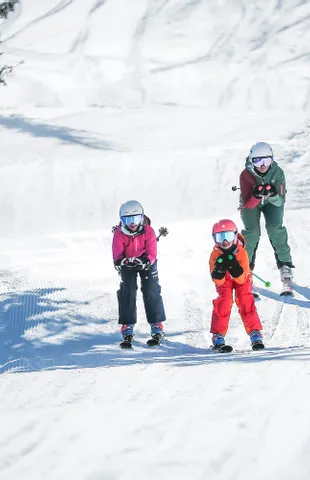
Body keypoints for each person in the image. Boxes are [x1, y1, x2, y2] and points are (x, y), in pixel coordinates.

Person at [239, 142, 294, 291]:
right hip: (252, 202)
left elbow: (281, 201)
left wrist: (272, 194)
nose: (263, 165)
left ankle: (285, 267)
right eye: (258, 161)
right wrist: (257, 195)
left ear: (272, 160)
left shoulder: (278, 173)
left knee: (275, 229)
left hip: (273, 202)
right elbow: (248, 204)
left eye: (266, 160)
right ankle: (245, 270)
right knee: (252, 233)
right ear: (251, 160)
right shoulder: (246, 175)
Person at [112, 200, 166, 342]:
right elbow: (117, 252)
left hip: (146, 261)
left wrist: (146, 261)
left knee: (151, 289)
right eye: (127, 219)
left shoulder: (148, 231)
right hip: (128, 262)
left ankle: (156, 324)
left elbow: (152, 251)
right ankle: (127, 324)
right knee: (127, 289)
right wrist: (120, 262)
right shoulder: (119, 233)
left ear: (141, 218)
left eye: (135, 219)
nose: (132, 223)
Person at [209, 219, 264, 350]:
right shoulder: (215, 255)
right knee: (224, 300)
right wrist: (219, 272)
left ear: (234, 236)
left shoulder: (241, 252)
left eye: (228, 236)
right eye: (220, 237)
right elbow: (217, 281)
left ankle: (255, 332)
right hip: (225, 280)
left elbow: (242, 279)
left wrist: (234, 267)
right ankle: (218, 335)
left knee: (245, 298)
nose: (225, 242)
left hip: (241, 278)